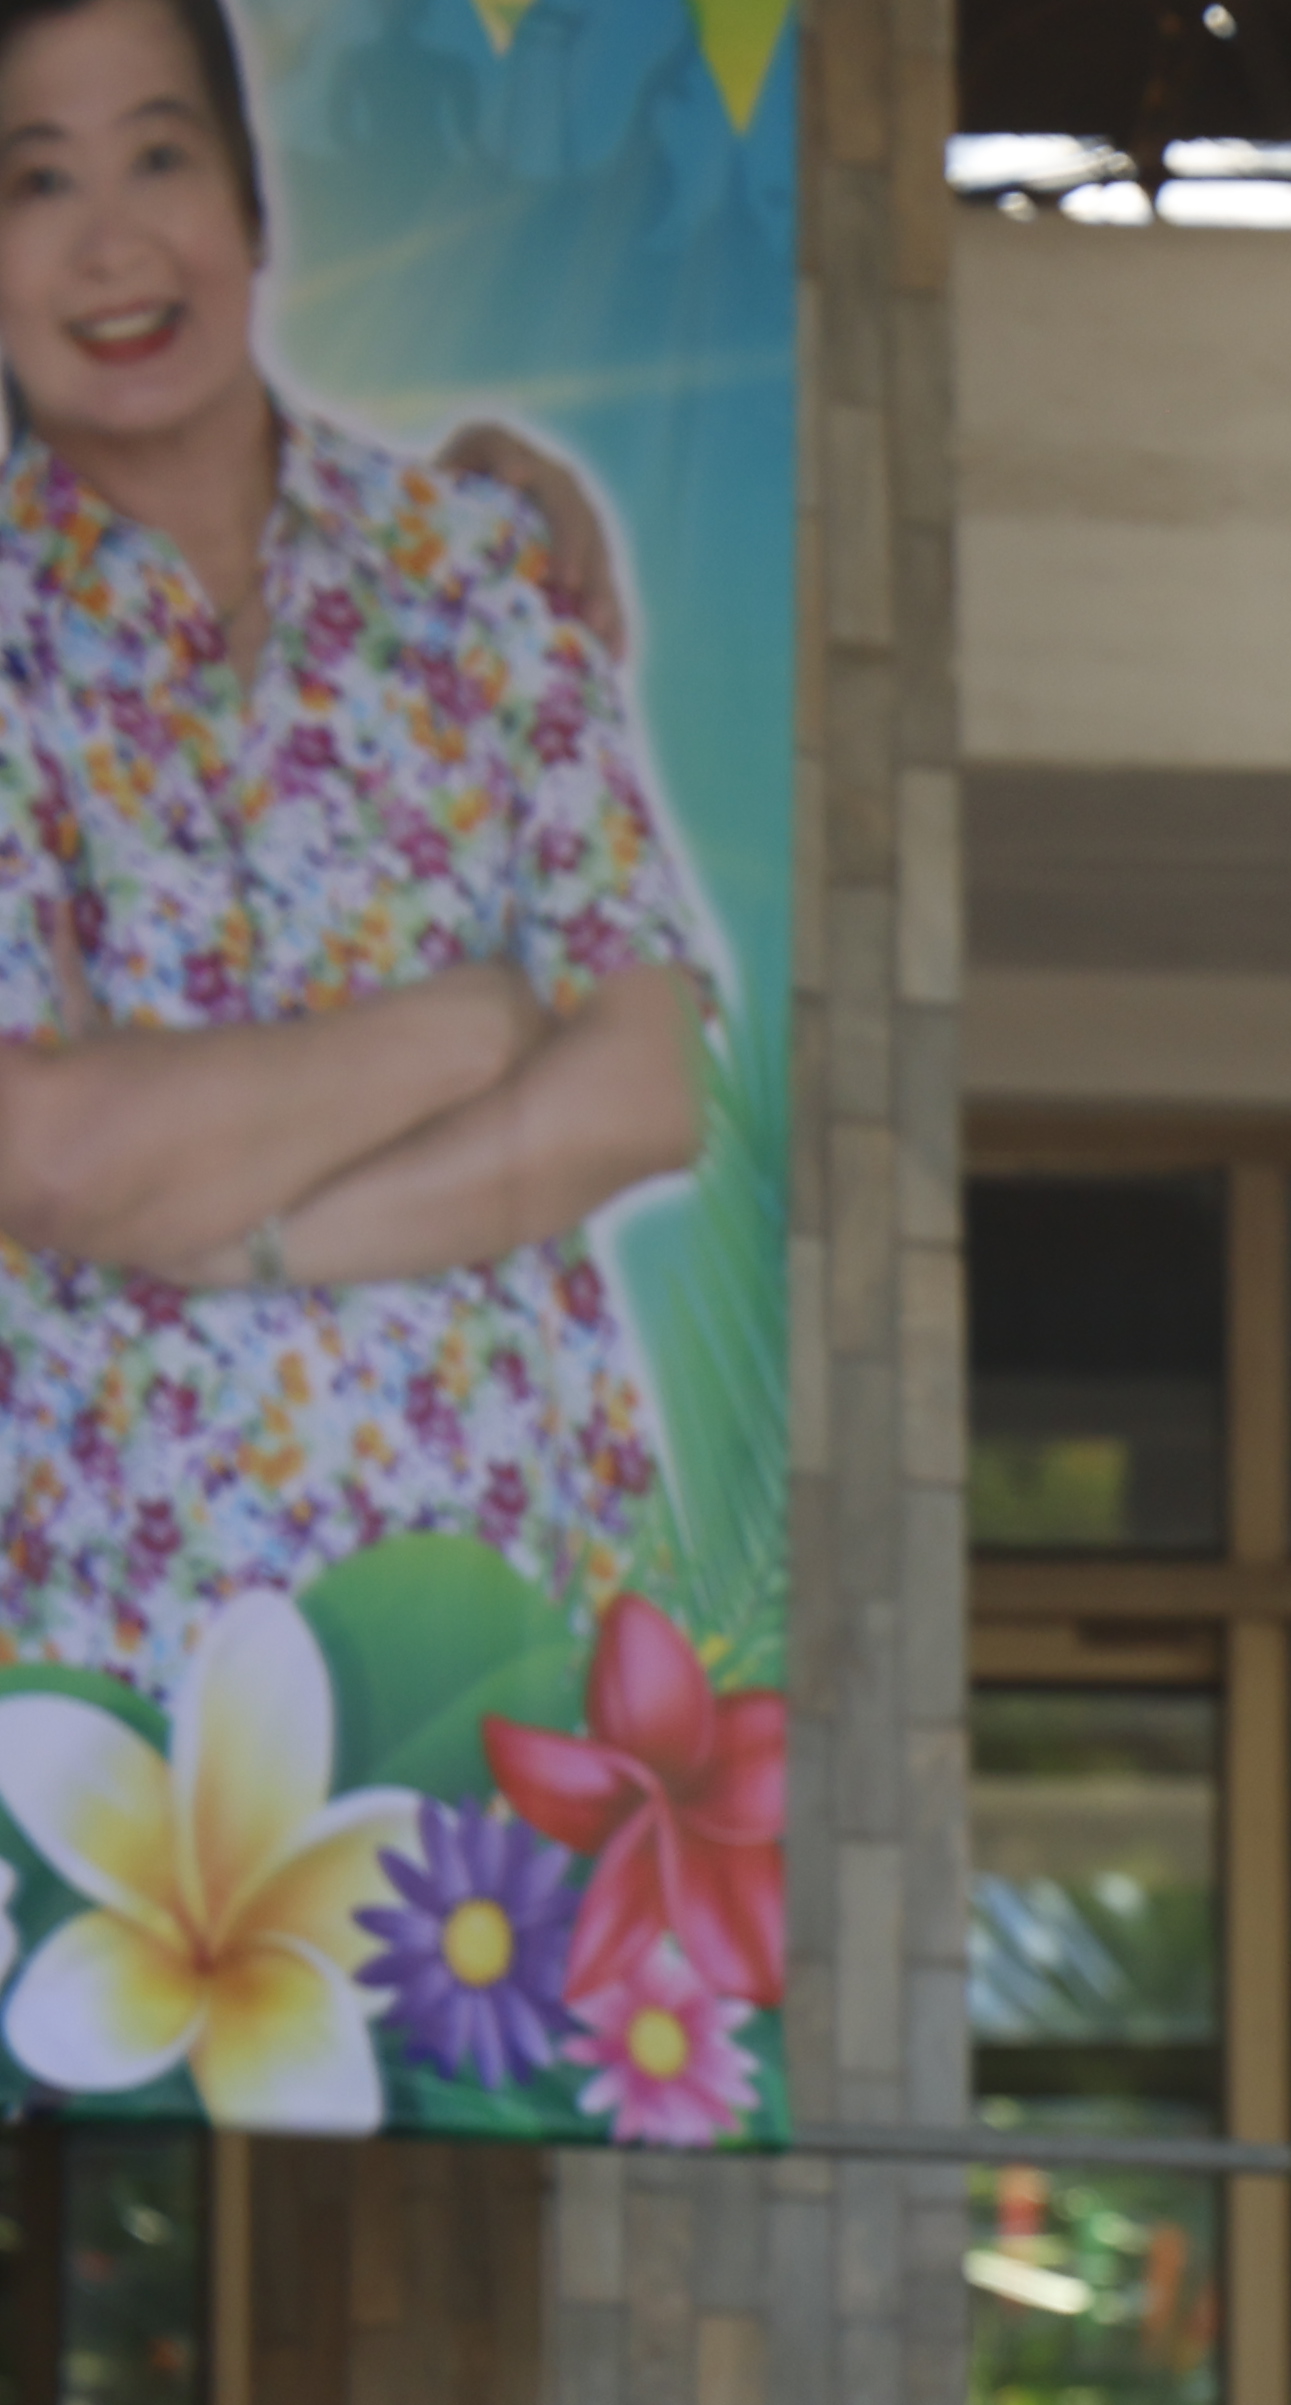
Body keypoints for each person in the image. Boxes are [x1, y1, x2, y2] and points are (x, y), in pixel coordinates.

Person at [0, 0, 712, 1686]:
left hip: (507, 1625)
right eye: (36, 182)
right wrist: (461, 1034)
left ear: (252, 208)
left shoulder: (472, 563)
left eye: (159, 156)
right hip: (112, 1666)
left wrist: (242, 1237)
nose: (112, 241)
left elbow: (650, 1081)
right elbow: (45, 1158)